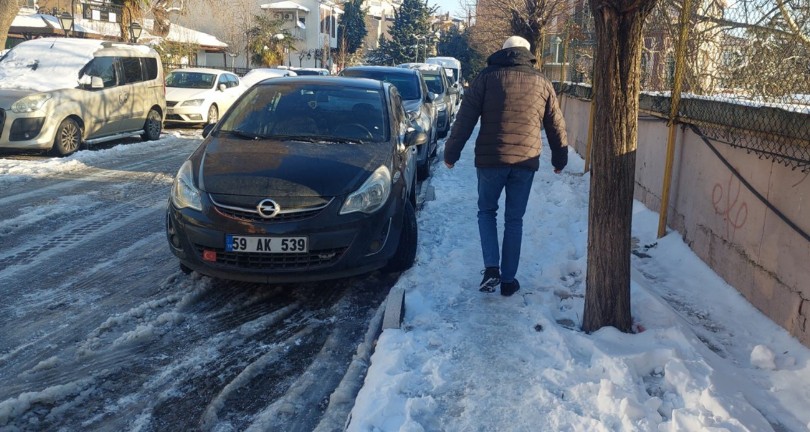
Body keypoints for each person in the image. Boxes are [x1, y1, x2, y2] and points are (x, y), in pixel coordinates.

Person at [443, 35, 568, 297]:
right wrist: (560, 159)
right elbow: (555, 124)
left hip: (491, 159)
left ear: (503, 53)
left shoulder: (486, 78)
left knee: (487, 212)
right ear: (528, 53)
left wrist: (451, 153)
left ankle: (491, 268)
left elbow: (465, 118)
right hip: (525, 161)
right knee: (514, 219)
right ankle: (509, 280)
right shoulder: (542, 82)